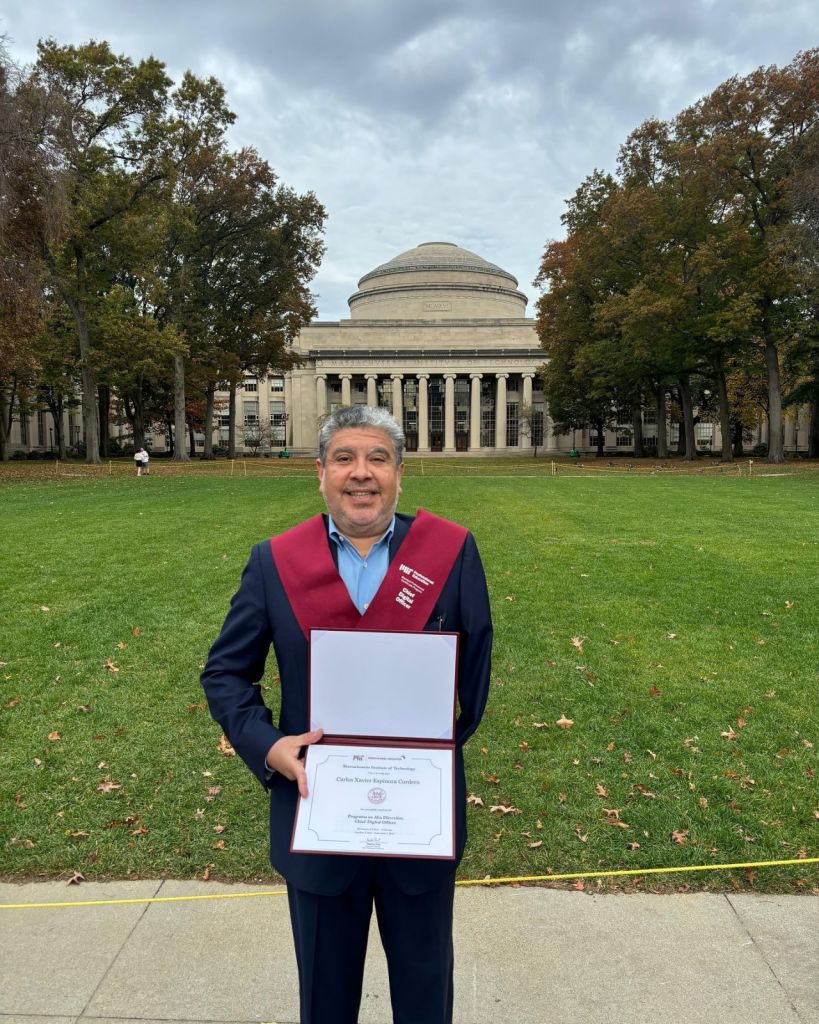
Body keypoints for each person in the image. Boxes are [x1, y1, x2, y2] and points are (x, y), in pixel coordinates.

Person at [201, 405, 492, 1024]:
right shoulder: (274, 562)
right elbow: (226, 673)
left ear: (400, 473)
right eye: (345, 458)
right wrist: (268, 746)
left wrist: (427, 759)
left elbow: (474, 683)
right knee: (325, 1001)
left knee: (424, 994)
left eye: (378, 459)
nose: (362, 474)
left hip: (418, 824)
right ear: (321, 472)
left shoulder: (452, 552)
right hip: (316, 818)